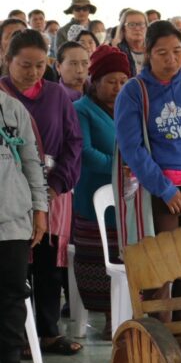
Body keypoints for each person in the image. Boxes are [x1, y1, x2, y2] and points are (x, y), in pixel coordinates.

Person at [114, 20, 181, 361]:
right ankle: (160, 349)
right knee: (160, 272)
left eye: (177, 51)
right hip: (156, 191)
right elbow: (132, 149)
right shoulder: (134, 91)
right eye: (162, 53)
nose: (172, 59)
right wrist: (167, 191)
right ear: (147, 53)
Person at [1, 30, 83, 356]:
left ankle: (48, 331)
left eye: (39, 65)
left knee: (49, 265)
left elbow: (73, 141)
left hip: (52, 191)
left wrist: (57, 184)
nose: (33, 72)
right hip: (9, 194)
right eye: (25, 65)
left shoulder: (56, 94)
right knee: (15, 268)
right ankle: (18, 338)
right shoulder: (3, 98)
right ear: (8, 61)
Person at [72, 46, 130, 340]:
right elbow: (85, 152)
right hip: (92, 196)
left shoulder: (130, 107)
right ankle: (109, 316)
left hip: (128, 197)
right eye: (111, 81)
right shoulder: (81, 109)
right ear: (95, 82)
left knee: (130, 253)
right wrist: (120, 166)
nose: (118, 87)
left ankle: (130, 312)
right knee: (98, 258)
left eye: (123, 81)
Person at [0, 86, 49, 363]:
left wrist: (39, 208)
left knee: (13, 291)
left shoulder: (13, 109)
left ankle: (8, 362)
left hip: (13, 217)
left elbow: (32, 160)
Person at [115, 9, 148, 76]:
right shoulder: (117, 52)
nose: (137, 28)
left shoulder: (154, 49)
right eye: (131, 25)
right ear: (123, 29)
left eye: (141, 24)